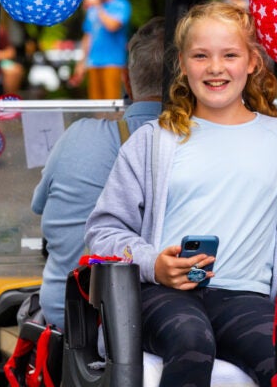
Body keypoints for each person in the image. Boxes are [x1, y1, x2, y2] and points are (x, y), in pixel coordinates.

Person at [84, 1, 277, 387]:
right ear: (183, 64)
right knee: (190, 340)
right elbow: (102, 232)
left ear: (252, 62)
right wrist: (155, 264)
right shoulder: (153, 141)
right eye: (201, 56)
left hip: (246, 297)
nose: (215, 68)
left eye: (229, 55)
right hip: (162, 294)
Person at [31, 17, 166, 330]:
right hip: (151, 320)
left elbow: (39, 206)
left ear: (127, 81)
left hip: (68, 312)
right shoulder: (195, 142)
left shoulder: (79, 135)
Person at [70, 0, 132, 99]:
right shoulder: (92, 10)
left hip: (113, 62)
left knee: (112, 100)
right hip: (93, 62)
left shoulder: (121, 4)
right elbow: (88, 36)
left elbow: (112, 26)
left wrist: (98, 7)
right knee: (95, 103)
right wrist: (81, 62)